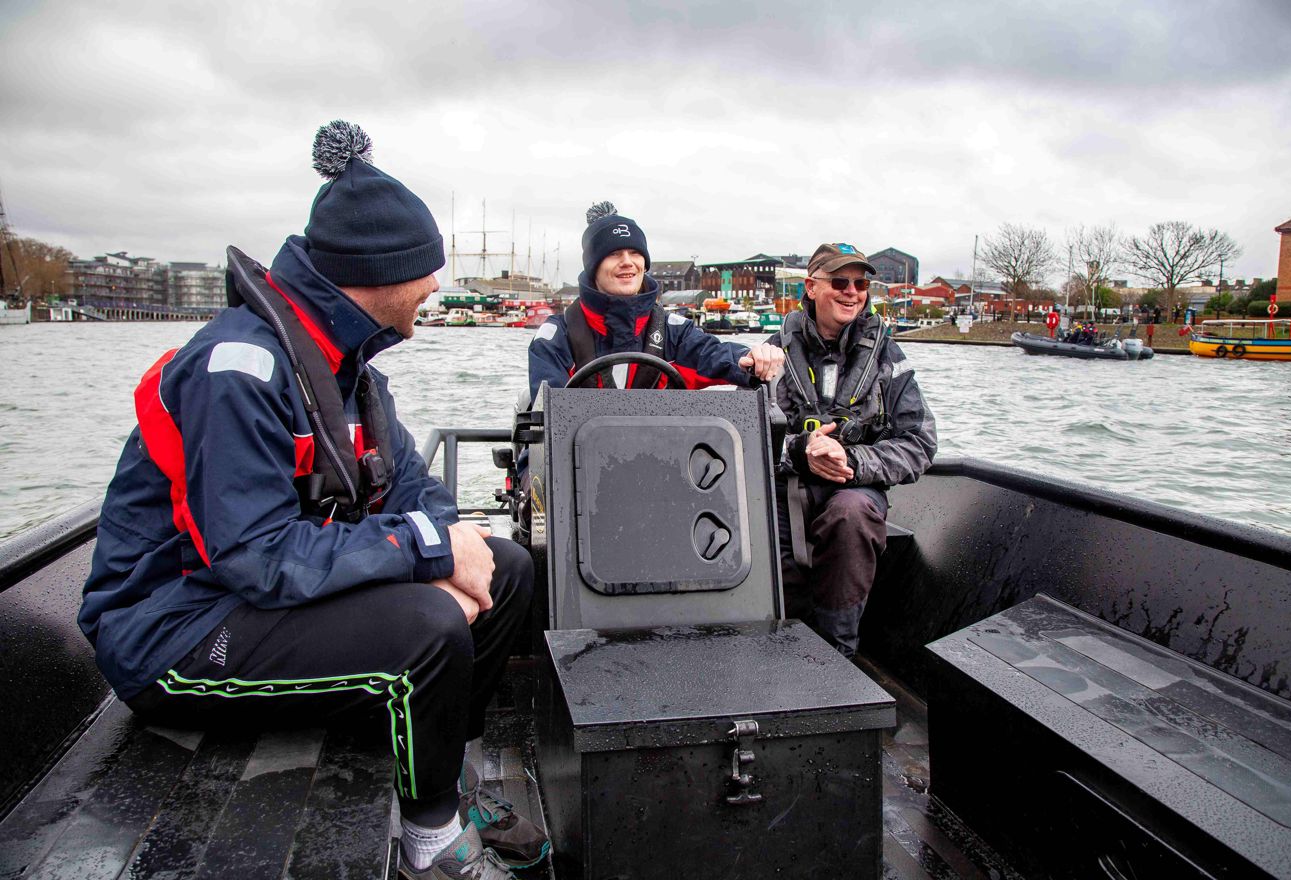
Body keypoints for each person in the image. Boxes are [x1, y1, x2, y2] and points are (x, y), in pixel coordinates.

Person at [78, 122, 543, 880]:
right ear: (378, 273)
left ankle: (447, 780)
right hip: (174, 633)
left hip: (255, 600)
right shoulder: (237, 370)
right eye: (428, 269)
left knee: (509, 568)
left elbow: (411, 487)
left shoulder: (349, 368)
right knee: (429, 625)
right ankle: (433, 841)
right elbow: (255, 556)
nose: (436, 286)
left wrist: (449, 544)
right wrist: (426, 558)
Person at [767, 243, 937, 657]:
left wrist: (854, 460)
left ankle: (837, 655)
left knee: (852, 513)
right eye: (840, 282)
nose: (852, 292)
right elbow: (743, 434)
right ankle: (768, 648)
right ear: (811, 287)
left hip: (855, 486)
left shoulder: (888, 357)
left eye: (861, 283)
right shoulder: (772, 352)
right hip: (787, 484)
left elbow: (919, 442)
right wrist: (802, 449)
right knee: (759, 520)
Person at [527, 202, 783, 398]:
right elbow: (546, 425)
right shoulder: (554, 338)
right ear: (594, 267)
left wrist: (751, 358)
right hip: (579, 464)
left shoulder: (674, 331)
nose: (627, 261)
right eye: (614, 253)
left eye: (635, 253)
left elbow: (713, 355)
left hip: (662, 460)